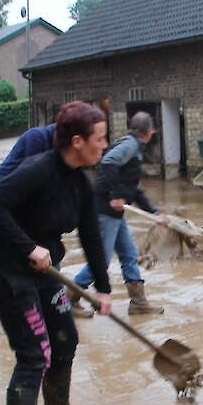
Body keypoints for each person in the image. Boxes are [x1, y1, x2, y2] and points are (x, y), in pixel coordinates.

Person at [0, 101, 113, 405]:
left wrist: (103, 288)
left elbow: (91, 235)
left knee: (65, 336)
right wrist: (28, 247)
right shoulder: (38, 170)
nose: (104, 145)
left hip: (44, 272)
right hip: (9, 270)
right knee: (34, 354)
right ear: (77, 141)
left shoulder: (81, 182)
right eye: (99, 139)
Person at [70, 111, 166, 318]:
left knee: (129, 255)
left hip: (114, 213)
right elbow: (108, 162)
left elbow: (134, 189)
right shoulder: (130, 146)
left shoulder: (133, 147)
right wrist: (115, 195)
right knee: (101, 260)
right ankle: (69, 298)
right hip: (105, 210)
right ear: (149, 132)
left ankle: (138, 303)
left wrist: (154, 213)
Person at [0, 123, 56, 286]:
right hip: (10, 178)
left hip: (24, 181)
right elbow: (31, 170)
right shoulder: (36, 137)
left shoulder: (58, 142)